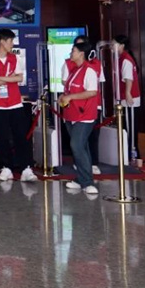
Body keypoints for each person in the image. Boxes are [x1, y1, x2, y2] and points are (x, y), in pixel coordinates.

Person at [0, 29, 36, 182]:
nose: (13, 44)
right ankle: (5, 168)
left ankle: (26, 168)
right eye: (11, 41)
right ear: (2, 42)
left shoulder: (15, 59)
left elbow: (19, 78)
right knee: (1, 138)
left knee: (21, 137)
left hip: (15, 103)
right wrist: (9, 77)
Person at [60, 42, 100, 194]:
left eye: (73, 50)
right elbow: (69, 90)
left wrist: (71, 97)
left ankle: (87, 182)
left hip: (84, 115)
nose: (71, 53)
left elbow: (92, 92)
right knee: (82, 147)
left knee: (76, 145)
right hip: (72, 114)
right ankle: (81, 178)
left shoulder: (89, 71)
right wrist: (64, 97)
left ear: (81, 53)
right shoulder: (74, 70)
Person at [113, 34, 141, 162]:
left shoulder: (126, 59)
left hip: (130, 99)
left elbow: (128, 78)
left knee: (131, 128)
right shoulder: (121, 58)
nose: (112, 46)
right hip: (125, 98)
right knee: (127, 126)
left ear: (122, 45)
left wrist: (128, 93)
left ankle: (133, 153)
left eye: (114, 44)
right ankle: (130, 152)